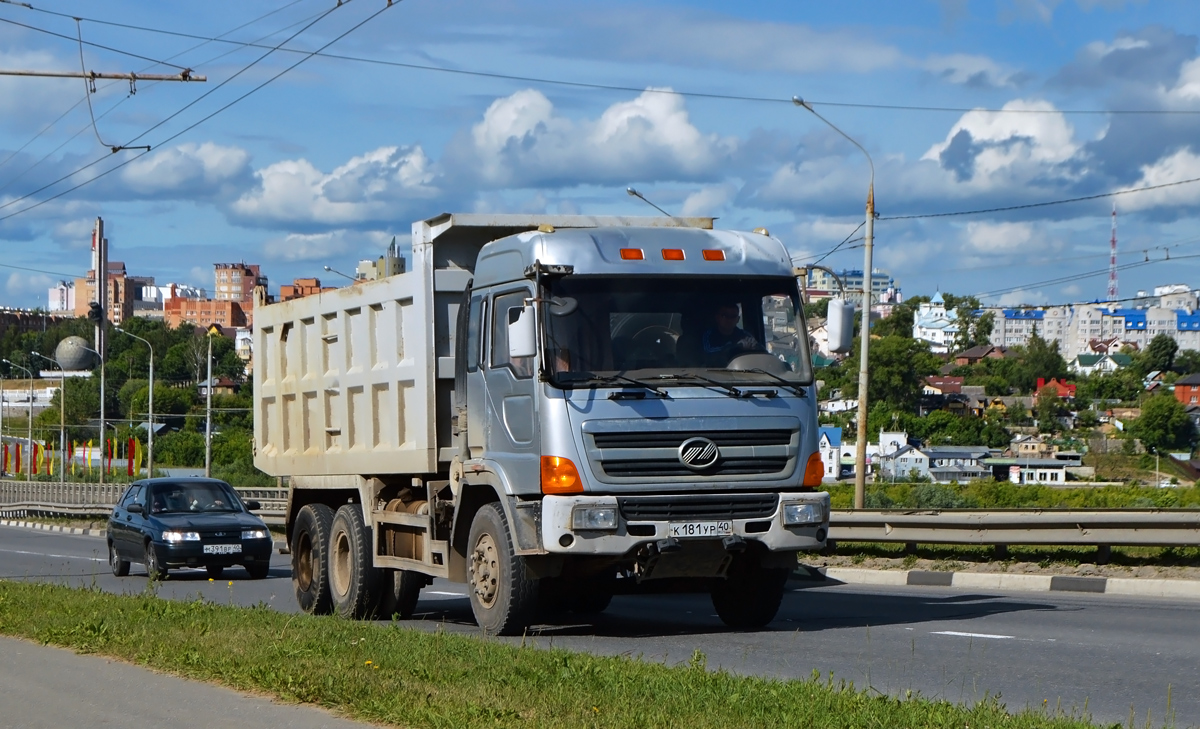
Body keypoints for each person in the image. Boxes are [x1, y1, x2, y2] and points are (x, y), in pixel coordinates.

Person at [700, 302, 759, 366]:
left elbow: (762, 352)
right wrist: (738, 347)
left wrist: (754, 346)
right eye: (725, 316)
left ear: (738, 319)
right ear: (717, 318)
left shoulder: (745, 335)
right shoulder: (708, 335)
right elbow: (708, 355)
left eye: (733, 316)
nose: (729, 320)